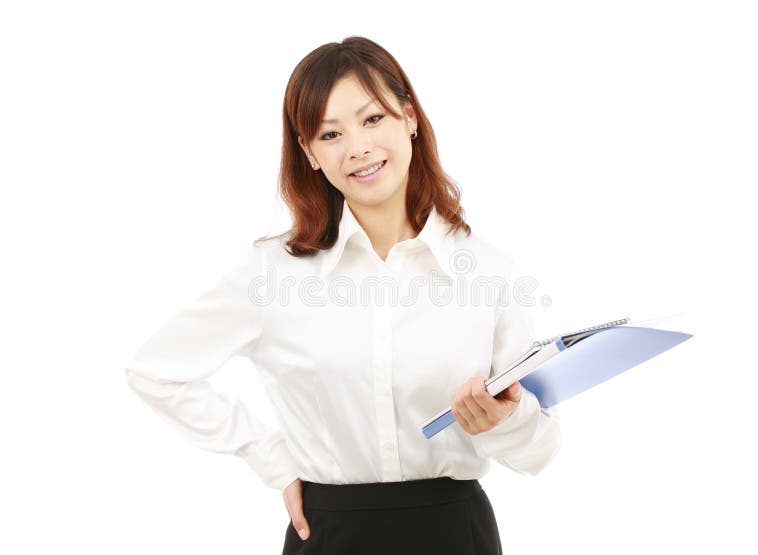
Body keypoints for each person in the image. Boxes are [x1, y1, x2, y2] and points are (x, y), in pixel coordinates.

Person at [125, 35, 561, 554]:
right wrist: (274, 461)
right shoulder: (274, 274)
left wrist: (505, 421)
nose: (358, 147)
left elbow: (540, 453)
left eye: (373, 119)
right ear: (309, 153)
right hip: (329, 534)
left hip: (454, 534)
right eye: (330, 133)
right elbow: (156, 371)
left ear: (410, 118)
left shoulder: (488, 271)